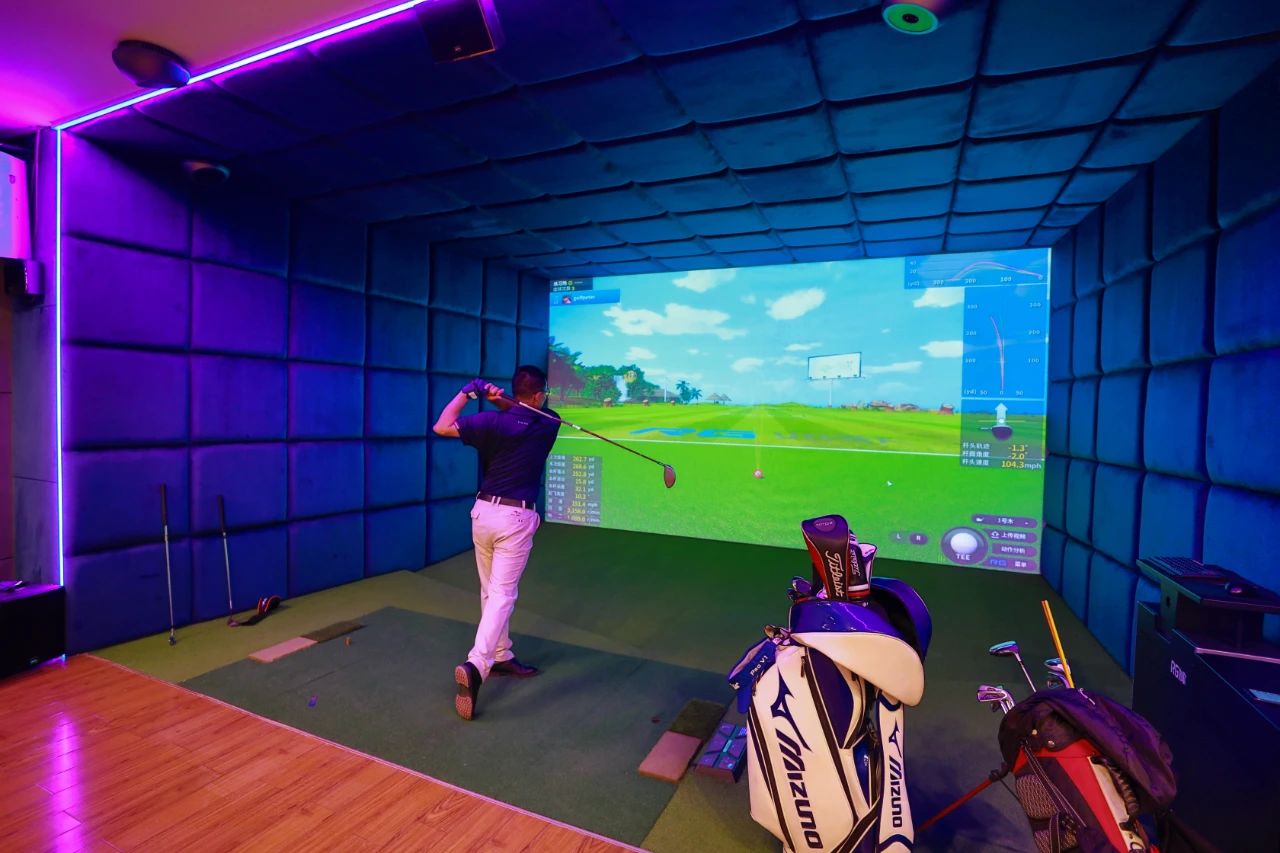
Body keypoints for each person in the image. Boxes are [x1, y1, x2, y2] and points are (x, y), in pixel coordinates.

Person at [432, 365, 561, 720]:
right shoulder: (548, 422)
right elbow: (524, 414)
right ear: (539, 395)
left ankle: (502, 654)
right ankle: (477, 665)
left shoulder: (490, 422)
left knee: (490, 591)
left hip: (483, 513)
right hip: (515, 518)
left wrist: (468, 393)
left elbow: (441, 426)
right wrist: (499, 399)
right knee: (503, 594)